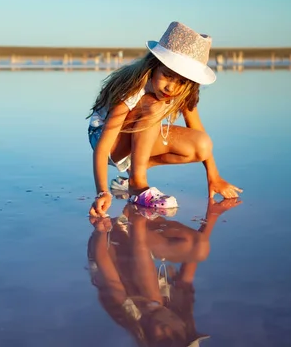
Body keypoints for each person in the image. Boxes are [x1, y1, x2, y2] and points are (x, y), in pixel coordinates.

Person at [88, 21, 242, 217]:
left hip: (136, 137)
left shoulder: (183, 91)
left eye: (182, 81)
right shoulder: (133, 87)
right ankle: (137, 184)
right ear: (153, 66)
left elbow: (197, 129)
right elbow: (103, 147)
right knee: (155, 105)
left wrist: (213, 175)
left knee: (202, 145)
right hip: (106, 140)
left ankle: (129, 176)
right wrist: (102, 192)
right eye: (167, 76)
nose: (172, 88)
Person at [86, 198, 241, 346]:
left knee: (154, 301)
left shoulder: (128, 314)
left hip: (107, 242)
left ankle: (137, 218)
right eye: (177, 335)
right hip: (133, 237)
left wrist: (100, 228)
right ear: (184, 327)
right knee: (198, 248)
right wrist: (214, 213)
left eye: (163, 342)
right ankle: (136, 211)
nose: (167, 330)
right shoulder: (182, 307)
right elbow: (192, 261)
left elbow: (104, 264)